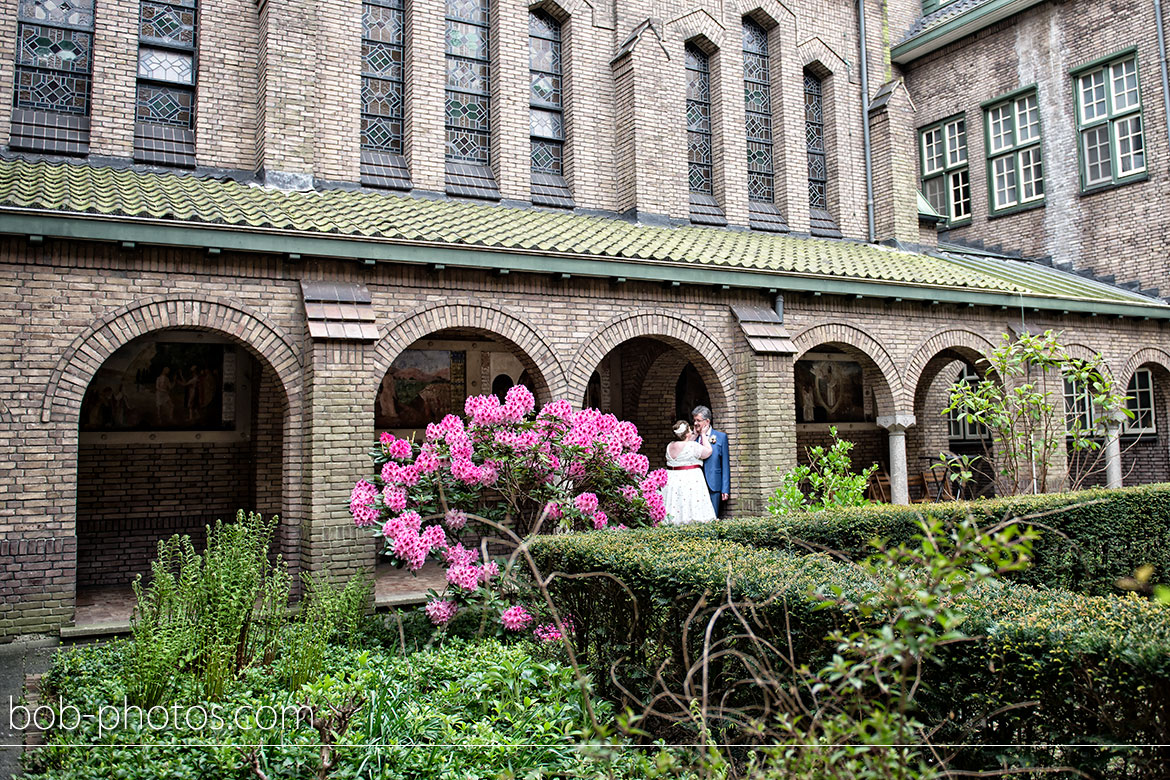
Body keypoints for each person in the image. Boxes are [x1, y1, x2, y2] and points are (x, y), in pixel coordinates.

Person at [661, 420, 717, 525]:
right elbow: (708, 451)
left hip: (672, 478)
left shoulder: (670, 446)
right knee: (689, 503)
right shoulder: (692, 446)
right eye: (689, 430)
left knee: (675, 503)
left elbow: (685, 443)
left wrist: (694, 434)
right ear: (687, 434)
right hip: (689, 478)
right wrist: (703, 435)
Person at [692, 405, 730, 516]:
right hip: (696, 485)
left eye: (698, 420)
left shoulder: (720, 437)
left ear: (707, 421)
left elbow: (725, 465)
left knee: (713, 516)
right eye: (694, 420)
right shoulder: (693, 438)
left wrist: (725, 489)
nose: (695, 423)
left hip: (713, 485)